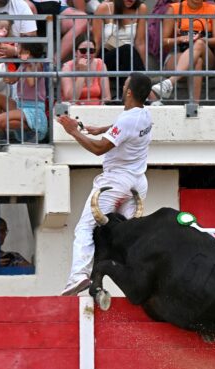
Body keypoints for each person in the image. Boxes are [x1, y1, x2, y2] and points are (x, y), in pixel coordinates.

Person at [57, 72, 153, 296]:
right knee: (130, 237)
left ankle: (79, 275)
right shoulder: (145, 114)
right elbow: (124, 128)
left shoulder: (127, 119)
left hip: (115, 182)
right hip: (138, 184)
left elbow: (99, 149)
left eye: (125, 84)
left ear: (128, 92)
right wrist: (103, 130)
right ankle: (141, 277)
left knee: (85, 228)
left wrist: (72, 131)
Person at [151, 0, 215, 101]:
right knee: (197, 62)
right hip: (178, 53)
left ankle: (170, 82)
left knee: (199, 44)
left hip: (206, 55)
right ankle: (194, 106)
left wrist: (200, 39)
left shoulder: (213, 9)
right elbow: (162, 41)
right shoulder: (174, 9)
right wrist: (180, 39)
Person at [0, 42, 49, 143]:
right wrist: (6, 65)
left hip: (34, 108)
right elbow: (12, 80)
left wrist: (27, 66)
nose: (17, 52)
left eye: (20, 49)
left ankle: (33, 129)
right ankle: (1, 135)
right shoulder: (23, 65)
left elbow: (31, 82)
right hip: (21, 106)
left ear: (27, 52)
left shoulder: (37, 64)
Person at [92, 0, 148, 97]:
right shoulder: (104, 8)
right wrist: (91, 65)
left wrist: (143, 68)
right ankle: (147, 95)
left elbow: (140, 42)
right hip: (107, 57)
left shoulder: (141, 8)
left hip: (130, 58)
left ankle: (125, 96)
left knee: (128, 52)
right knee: (127, 49)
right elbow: (96, 42)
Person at [61, 36, 111, 105]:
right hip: (75, 111)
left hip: (96, 111)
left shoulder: (100, 64)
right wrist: (82, 73)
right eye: (83, 51)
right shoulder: (67, 67)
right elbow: (71, 99)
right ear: (75, 52)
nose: (87, 54)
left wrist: (100, 110)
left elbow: (106, 97)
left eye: (91, 51)